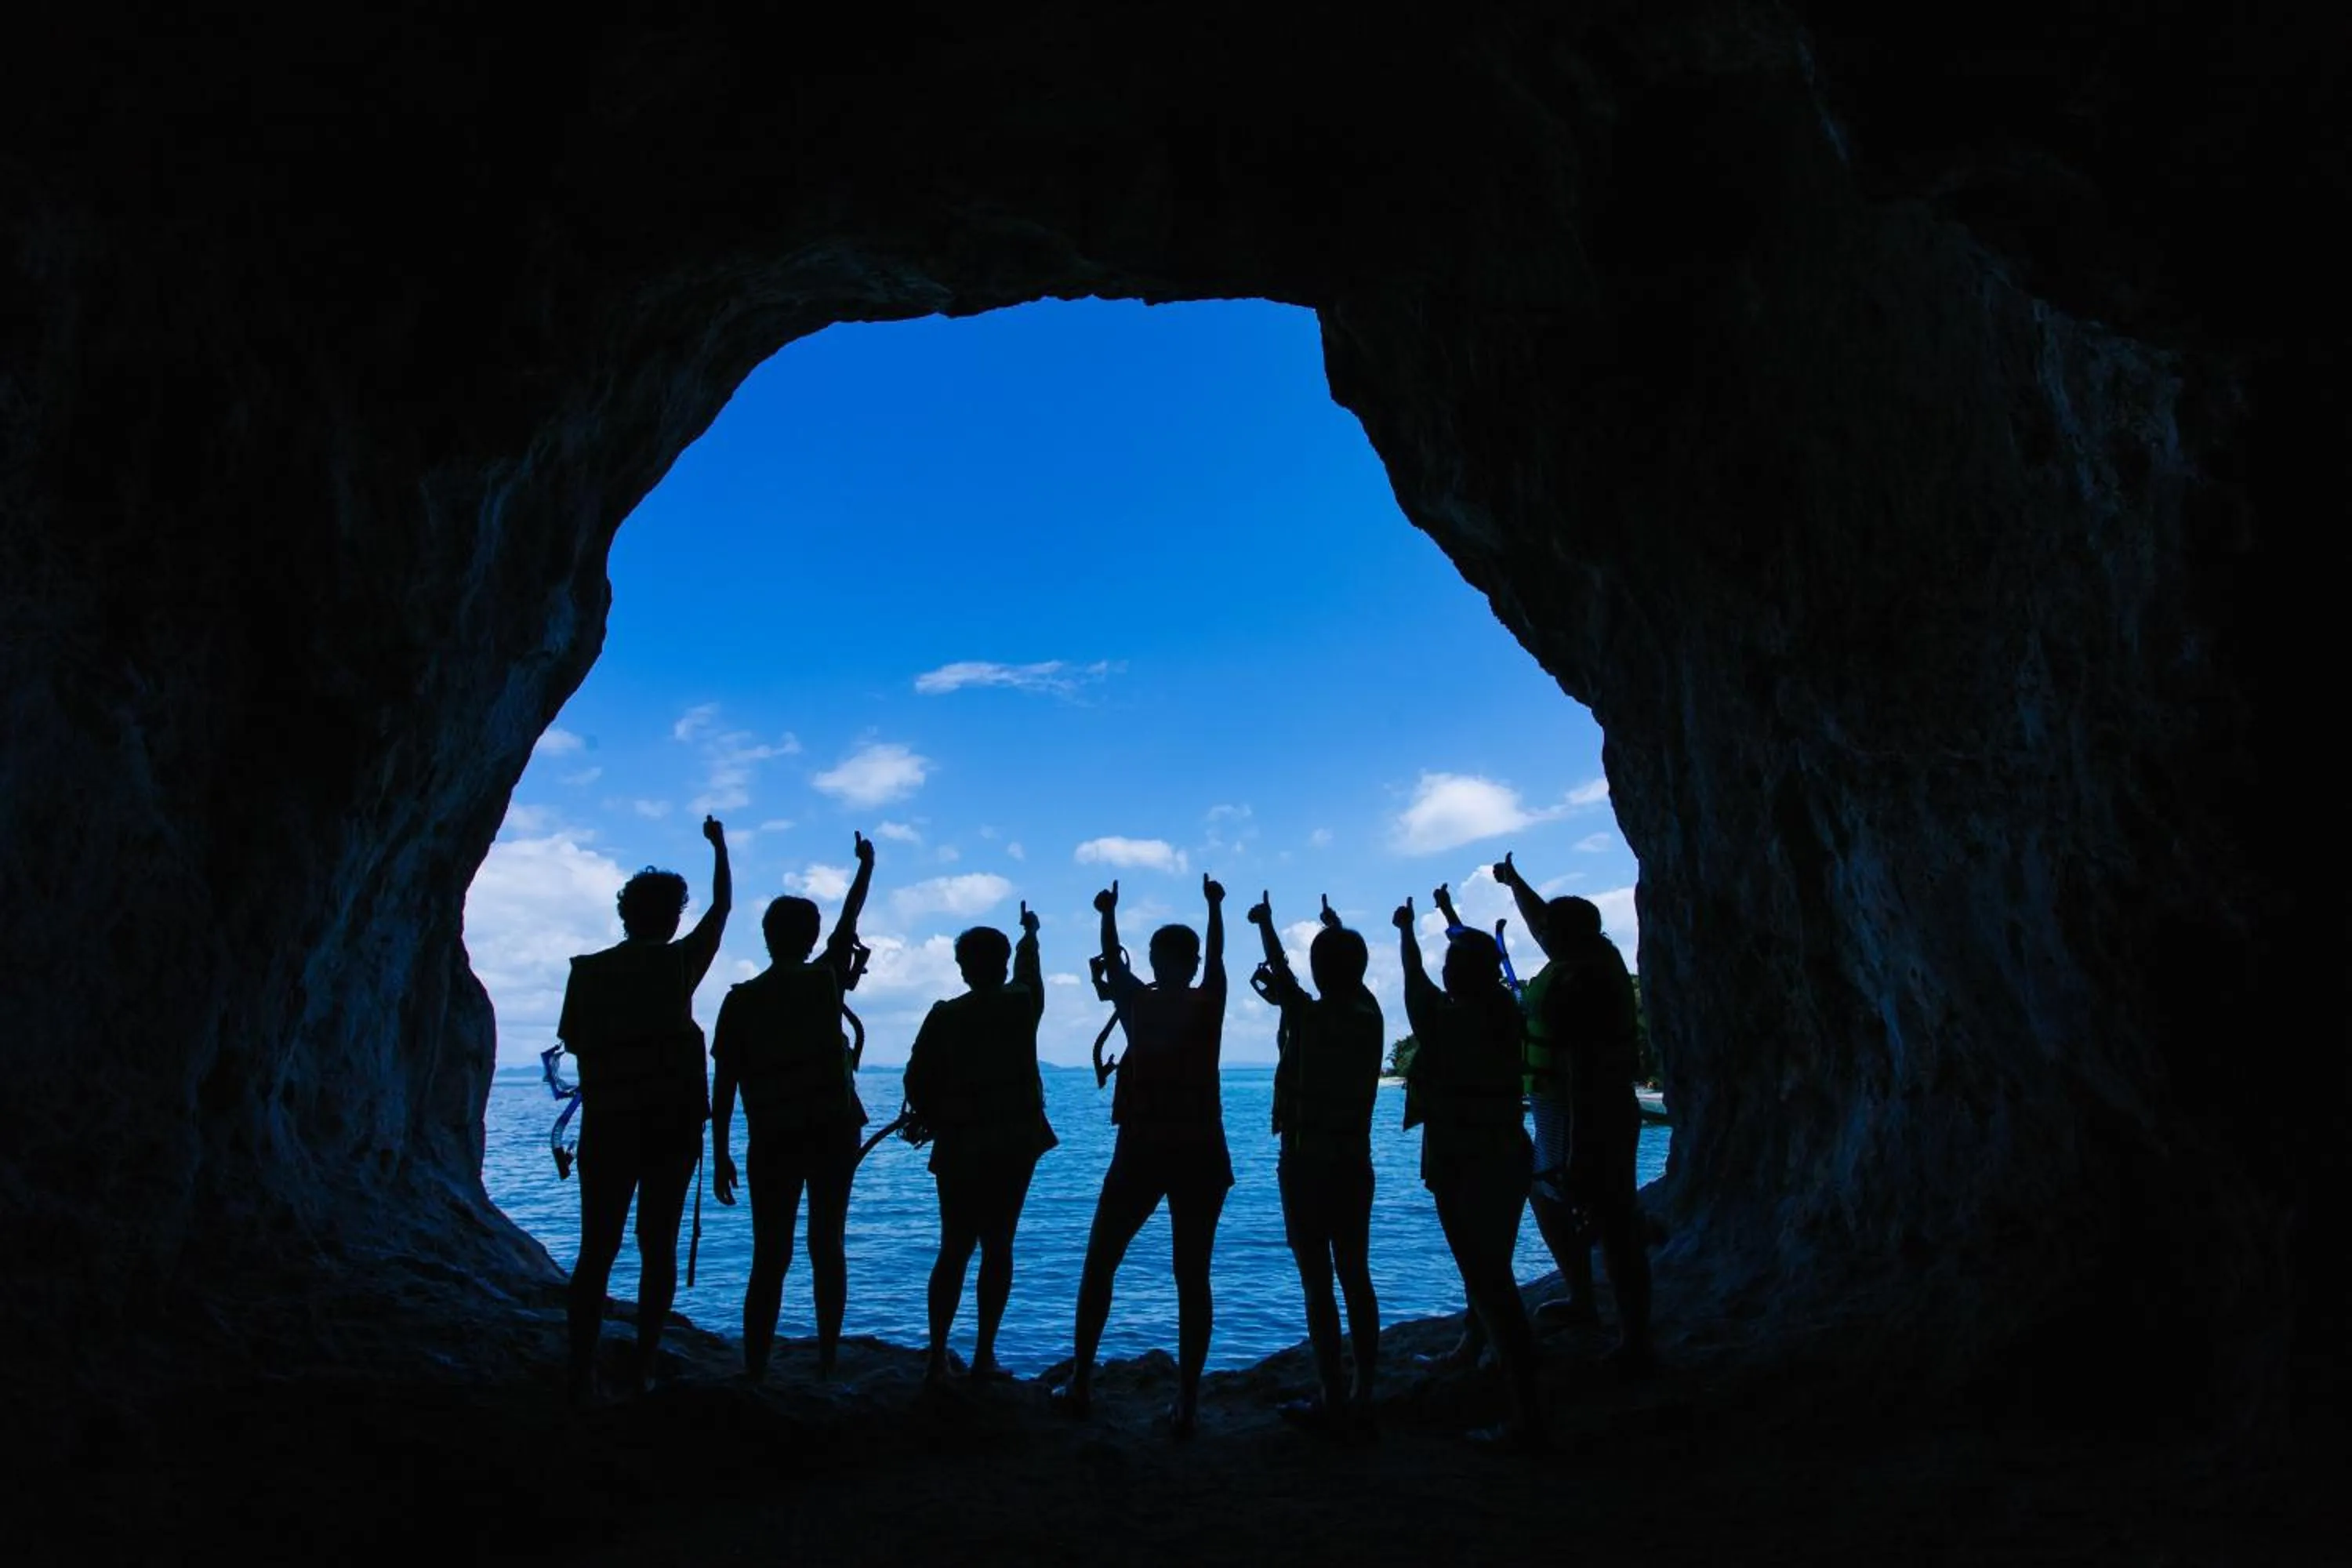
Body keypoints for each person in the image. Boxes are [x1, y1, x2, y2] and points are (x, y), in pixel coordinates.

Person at [557, 815, 731, 1404]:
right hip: (670, 1124)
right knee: (658, 1246)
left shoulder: (587, 972)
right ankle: (645, 1367)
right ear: (674, 917)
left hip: (608, 1123)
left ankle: (579, 1370)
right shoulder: (677, 965)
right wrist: (720, 846)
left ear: (625, 915)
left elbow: (576, 1043)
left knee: (595, 1249)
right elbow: (723, 910)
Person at [1053, 874, 1232, 1439]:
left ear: (1156, 960)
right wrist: (1214, 906)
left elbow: (1111, 955)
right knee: (1193, 1276)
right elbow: (1219, 955)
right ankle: (1188, 1401)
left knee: (1100, 1261)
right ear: (1194, 960)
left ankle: (1081, 1380)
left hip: (1142, 1151)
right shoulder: (1209, 1003)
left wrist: (1108, 912)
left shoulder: (1139, 1005)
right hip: (1202, 1152)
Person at [708, 831, 877, 1382]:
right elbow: (850, 917)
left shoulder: (741, 1000)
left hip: (772, 1135)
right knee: (827, 1245)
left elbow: (726, 1084)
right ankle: (827, 1359)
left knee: (769, 1256)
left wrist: (720, 1153)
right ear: (811, 940)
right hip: (831, 1131)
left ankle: (756, 1366)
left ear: (765, 936)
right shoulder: (825, 979)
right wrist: (866, 865)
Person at [1395, 895, 1548, 1450]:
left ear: (1468, 974)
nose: (1445, 968)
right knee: (1486, 1267)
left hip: (1469, 1156)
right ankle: (1471, 1344)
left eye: (1454, 963)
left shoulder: (1455, 1019)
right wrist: (1440, 919)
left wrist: (1408, 933)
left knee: (1489, 1277)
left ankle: (1525, 1412)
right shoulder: (1504, 1009)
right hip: (1501, 1151)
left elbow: (1416, 987)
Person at [902, 901, 1059, 1385]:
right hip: (1014, 1144)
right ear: (1003, 962)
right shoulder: (1019, 1004)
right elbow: (1030, 974)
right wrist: (1031, 933)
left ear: (964, 968)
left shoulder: (945, 1016)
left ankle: (935, 1360)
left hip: (959, 1148)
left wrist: (930, 1114)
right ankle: (985, 1354)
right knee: (998, 1246)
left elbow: (915, 1079)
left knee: (953, 1248)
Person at [1246, 890, 1383, 1436]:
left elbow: (1283, 975)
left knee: (1318, 1284)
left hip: (1305, 1164)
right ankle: (1364, 1390)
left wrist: (1265, 923)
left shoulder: (1311, 1016)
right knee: (1356, 1275)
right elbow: (1310, 976)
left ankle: (1331, 1396)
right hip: (1355, 1161)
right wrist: (1336, 923)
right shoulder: (1368, 1013)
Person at [1531, 888, 1655, 1374]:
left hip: (1587, 1114)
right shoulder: (1595, 956)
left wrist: (1581, 1149)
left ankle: (1635, 1341)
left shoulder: (1583, 984)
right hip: (1564, 1112)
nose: (1540, 934)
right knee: (1547, 1199)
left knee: (1614, 1223)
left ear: (1567, 935)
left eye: (1548, 930)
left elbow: (1585, 1068)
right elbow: (1541, 917)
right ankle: (1582, 1298)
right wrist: (1516, 883)